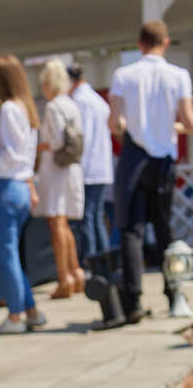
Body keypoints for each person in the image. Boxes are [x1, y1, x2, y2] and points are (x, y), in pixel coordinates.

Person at [109, 20, 193, 323]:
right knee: (164, 229)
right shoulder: (178, 76)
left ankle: (132, 301)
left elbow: (114, 122)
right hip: (164, 159)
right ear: (166, 42)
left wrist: (129, 129)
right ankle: (175, 295)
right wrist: (171, 127)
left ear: (140, 43)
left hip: (134, 155)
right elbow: (189, 120)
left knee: (131, 230)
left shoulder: (124, 75)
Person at [0, 55, 46, 335]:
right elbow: (25, 155)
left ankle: (16, 315)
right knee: (12, 255)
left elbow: (10, 152)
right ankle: (29, 310)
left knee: (5, 254)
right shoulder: (25, 108)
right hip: (21, 186)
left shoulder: (8, 109)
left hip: (6, 186)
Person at [37, 58, 85, 299]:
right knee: (65, 225)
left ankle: (64, 276)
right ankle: (75, 271)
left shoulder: (54, 106)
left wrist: (37, 146)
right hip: (71, 167)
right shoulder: (72, 105)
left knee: (56, 224)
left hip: (56, 169)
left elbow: (55, 142)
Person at [67, 63, 113, 264]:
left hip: (87, 167)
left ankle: (92, 263)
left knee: (88, 218)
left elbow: (79, 138)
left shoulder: (79, 102)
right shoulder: (97, 100)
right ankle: (104, 261)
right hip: (101, 166)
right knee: (96, 217)